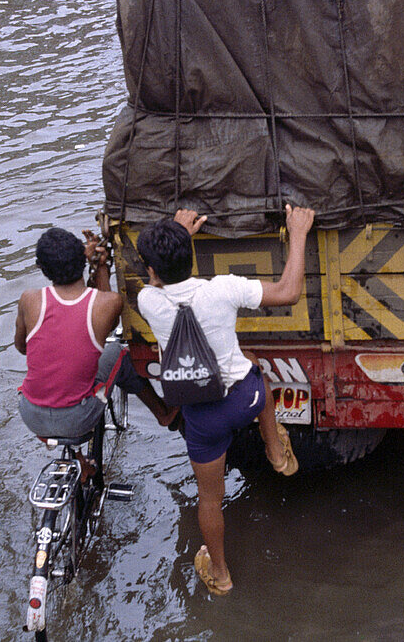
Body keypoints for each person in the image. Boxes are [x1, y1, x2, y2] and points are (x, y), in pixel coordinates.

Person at [134, 204, 314, 596]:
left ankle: (220, 573)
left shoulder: (149, 302)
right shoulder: (223, 289)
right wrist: (297, 233)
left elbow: (163, 283)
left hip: (204, 420)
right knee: (254, 369)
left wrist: (178, 237)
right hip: (245, 400)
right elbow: (289, 292)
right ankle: (277, 453)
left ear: (151, 271)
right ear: (191, 255)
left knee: (210, 500)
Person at [13, 227, 178, 467]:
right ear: (80, 258)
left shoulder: (29, 299)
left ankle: (80, 462)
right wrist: (101, 266)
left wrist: (86, 258)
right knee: (119, 352)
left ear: (43, 269)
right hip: (77, 418)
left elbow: (22, 348)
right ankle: (163, 413)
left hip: (31, 413)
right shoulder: (108, 303)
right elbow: (104, 319)